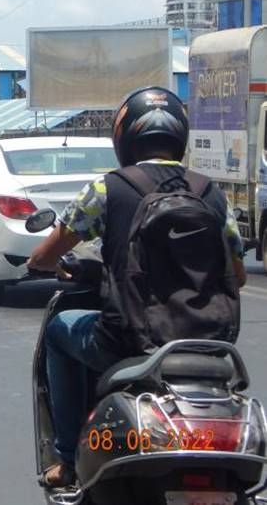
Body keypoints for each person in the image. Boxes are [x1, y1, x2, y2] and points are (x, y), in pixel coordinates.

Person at [27, 86, 247, 488]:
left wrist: (40, 263)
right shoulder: (211, 193)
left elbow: (46, 254)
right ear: (180, 136)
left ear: (124, 138)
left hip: (128, 341)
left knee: (60, 333)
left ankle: (67, 457)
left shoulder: (108, 189)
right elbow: (239, 273)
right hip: (211, 345)